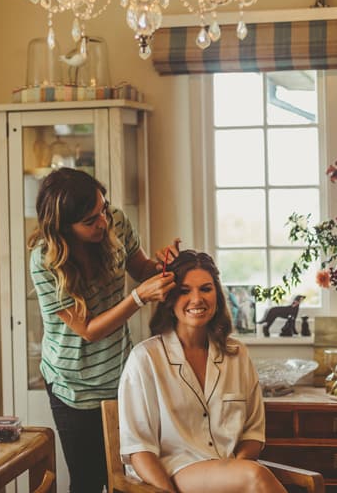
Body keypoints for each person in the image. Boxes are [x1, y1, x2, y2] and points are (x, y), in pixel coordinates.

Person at [28, 167, 180, 493]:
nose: (103, 222)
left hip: (121, 374)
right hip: (74, 386)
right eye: (90, 220)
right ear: (63, 227)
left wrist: (163, 266)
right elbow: (88, 330)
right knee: (88, 481)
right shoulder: (44, 260)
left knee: (126, 477)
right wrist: (139, 298)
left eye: (103, 209)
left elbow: (140, 268)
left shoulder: (114, 220)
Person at [117, 250, 287, 493]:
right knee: (256, 476)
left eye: (206, 289)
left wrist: (232, 476)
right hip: (173, 472)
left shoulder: (237, 354)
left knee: (252, 476)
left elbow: (253, 432)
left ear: (217, 294)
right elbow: (139, 450)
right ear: (169, 298)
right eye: (185, 291)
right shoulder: (145, 359)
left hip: (232, 473)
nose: (197, 299)